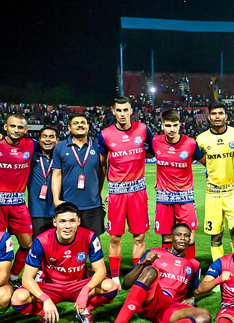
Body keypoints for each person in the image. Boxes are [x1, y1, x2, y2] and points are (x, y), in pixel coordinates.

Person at [101, 223, 211, 323]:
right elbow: (126, 284)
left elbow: (190, 293)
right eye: (178, 235)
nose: (183, 238)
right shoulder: (154, 253)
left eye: (186, 236)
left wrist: (191, 299)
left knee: (205, 316)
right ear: (171, 237)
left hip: (169, 308)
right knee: (151, 271)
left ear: (190, 239)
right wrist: (142, 263)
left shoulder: (194, 264)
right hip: (151, 299)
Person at [10, 202, 119, 323]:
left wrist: (86, 290)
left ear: (79, 221)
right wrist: (45, 299)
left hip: (78, 286)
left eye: (72, 221)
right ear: (55, 222)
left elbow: (101, 270)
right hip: (51, 287)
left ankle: (85, 311)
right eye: (62, 221)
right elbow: (27, 278)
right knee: (18, 298)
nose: (67, 226)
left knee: (110, 286)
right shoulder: (41, 240)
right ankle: (46, 315)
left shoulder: (90, 236)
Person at [98, 97, 155, 279]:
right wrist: (101, 190)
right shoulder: (105, 134)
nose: (122, 114)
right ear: (113, 112)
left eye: (125, 110)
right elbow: (102, 165)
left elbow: (154, 150)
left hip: (138, 191)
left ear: (131, 111)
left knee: (139, 237)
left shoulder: (143, 129)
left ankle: (137, 275)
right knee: (115, 237)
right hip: (117, 193)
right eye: (119, 110)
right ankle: (115, 277)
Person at [0, 113, 37, 287]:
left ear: (26, 130)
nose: (16, 130)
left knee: (27, 244)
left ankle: (13, 276)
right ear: (5, 127)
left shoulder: (31, 144)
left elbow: (51, 144)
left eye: (20, 127)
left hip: (18, 204)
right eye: (12, 126)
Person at [196, 101, 234, 261]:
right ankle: (218, 267)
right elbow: (196, 158)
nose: (217, 117)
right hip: (213, 193)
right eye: (214, 114)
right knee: (215, 235)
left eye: (220, 113)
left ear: (226, 116)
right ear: (209, 117)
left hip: (233, 192)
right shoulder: (201, 139)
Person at [151, 109, 205, 258]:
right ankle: (168, 268)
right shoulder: (155, 141)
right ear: (162, 125)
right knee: (167, 237)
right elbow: (144, 156)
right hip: (164, 197)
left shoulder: (190, 143)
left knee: (188, 236)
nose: (172, 129)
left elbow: (205, 161)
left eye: (175, 125)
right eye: (168, 125)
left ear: (180, 125)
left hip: (185, 196)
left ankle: (190, 268)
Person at [52, 112, 105, 236]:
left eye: (83, 123)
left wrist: (99, 191)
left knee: (93, 241)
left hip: (93, 205)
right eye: (76, 123)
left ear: (88, 126)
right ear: (69, 128)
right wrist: (56, 200)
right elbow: (56, 174)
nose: (80, 125)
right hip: (68, 205)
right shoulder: (60, 147)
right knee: (69, 240)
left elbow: (102, 171)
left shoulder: (97, 146)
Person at [27, 126, 59, 236]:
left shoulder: (62, 157)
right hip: (37, 213)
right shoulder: (31, 156)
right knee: (39, 244)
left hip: (59, 212)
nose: (48, 139)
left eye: (51, 137)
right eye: (44, 136)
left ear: (57, 140)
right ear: (39, 139)